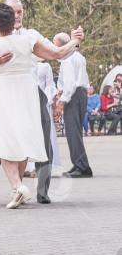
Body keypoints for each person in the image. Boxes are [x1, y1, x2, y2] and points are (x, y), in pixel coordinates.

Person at [0, 4, 81, 208]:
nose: (17, 15)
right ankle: (17, 190)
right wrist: (76, 40)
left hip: (6, 89)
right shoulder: (28, 40)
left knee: (5, 139)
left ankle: (20, 186)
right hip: (28, 90)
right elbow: (58, 53)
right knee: (24, 138)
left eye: (19, 11)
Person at [52, 32, 93, 177]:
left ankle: (82, 167)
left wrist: (61, 103)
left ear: (59, 45)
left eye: (55, 44)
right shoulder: (79, 57)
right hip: (81, 94)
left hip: (73, 96)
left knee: (72, 132)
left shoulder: (68, 60)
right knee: (76, 131)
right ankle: (78, 163)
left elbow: (69, 84)